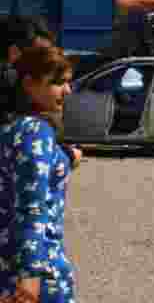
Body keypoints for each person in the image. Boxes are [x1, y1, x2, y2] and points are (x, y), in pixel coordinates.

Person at [0, 41, 77, 302]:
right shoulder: (35, 131)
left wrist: (64, 158)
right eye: (58, 82)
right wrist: (30, 274)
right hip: (38, 269)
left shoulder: (13, 128)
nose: (67, 90)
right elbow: (31, 205)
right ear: (29, 83)